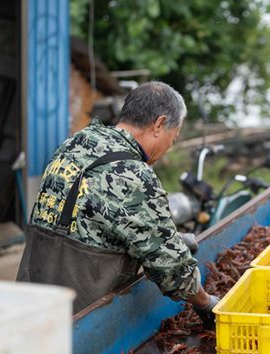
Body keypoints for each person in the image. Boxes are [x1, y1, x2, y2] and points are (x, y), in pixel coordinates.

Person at [17, 81, 219, 328]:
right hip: (77, 322)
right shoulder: (135, 175)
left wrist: (172, 239)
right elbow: (173, 269)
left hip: (28, 304)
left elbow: (98, 218)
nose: (168, 147)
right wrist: (205, 302)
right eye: (173, 139)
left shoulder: (74, 143)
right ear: (159, 124)